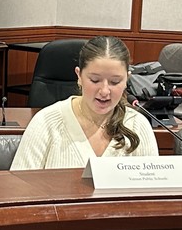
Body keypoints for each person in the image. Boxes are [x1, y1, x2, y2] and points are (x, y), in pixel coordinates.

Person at [11, 36, 158, 169]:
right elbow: (18, 190)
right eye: (95, 80)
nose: (105, 91)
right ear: (79, 76)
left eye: (115, 82)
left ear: (127, 79)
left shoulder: (138, 125)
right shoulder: (46, 123)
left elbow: (153, 193)